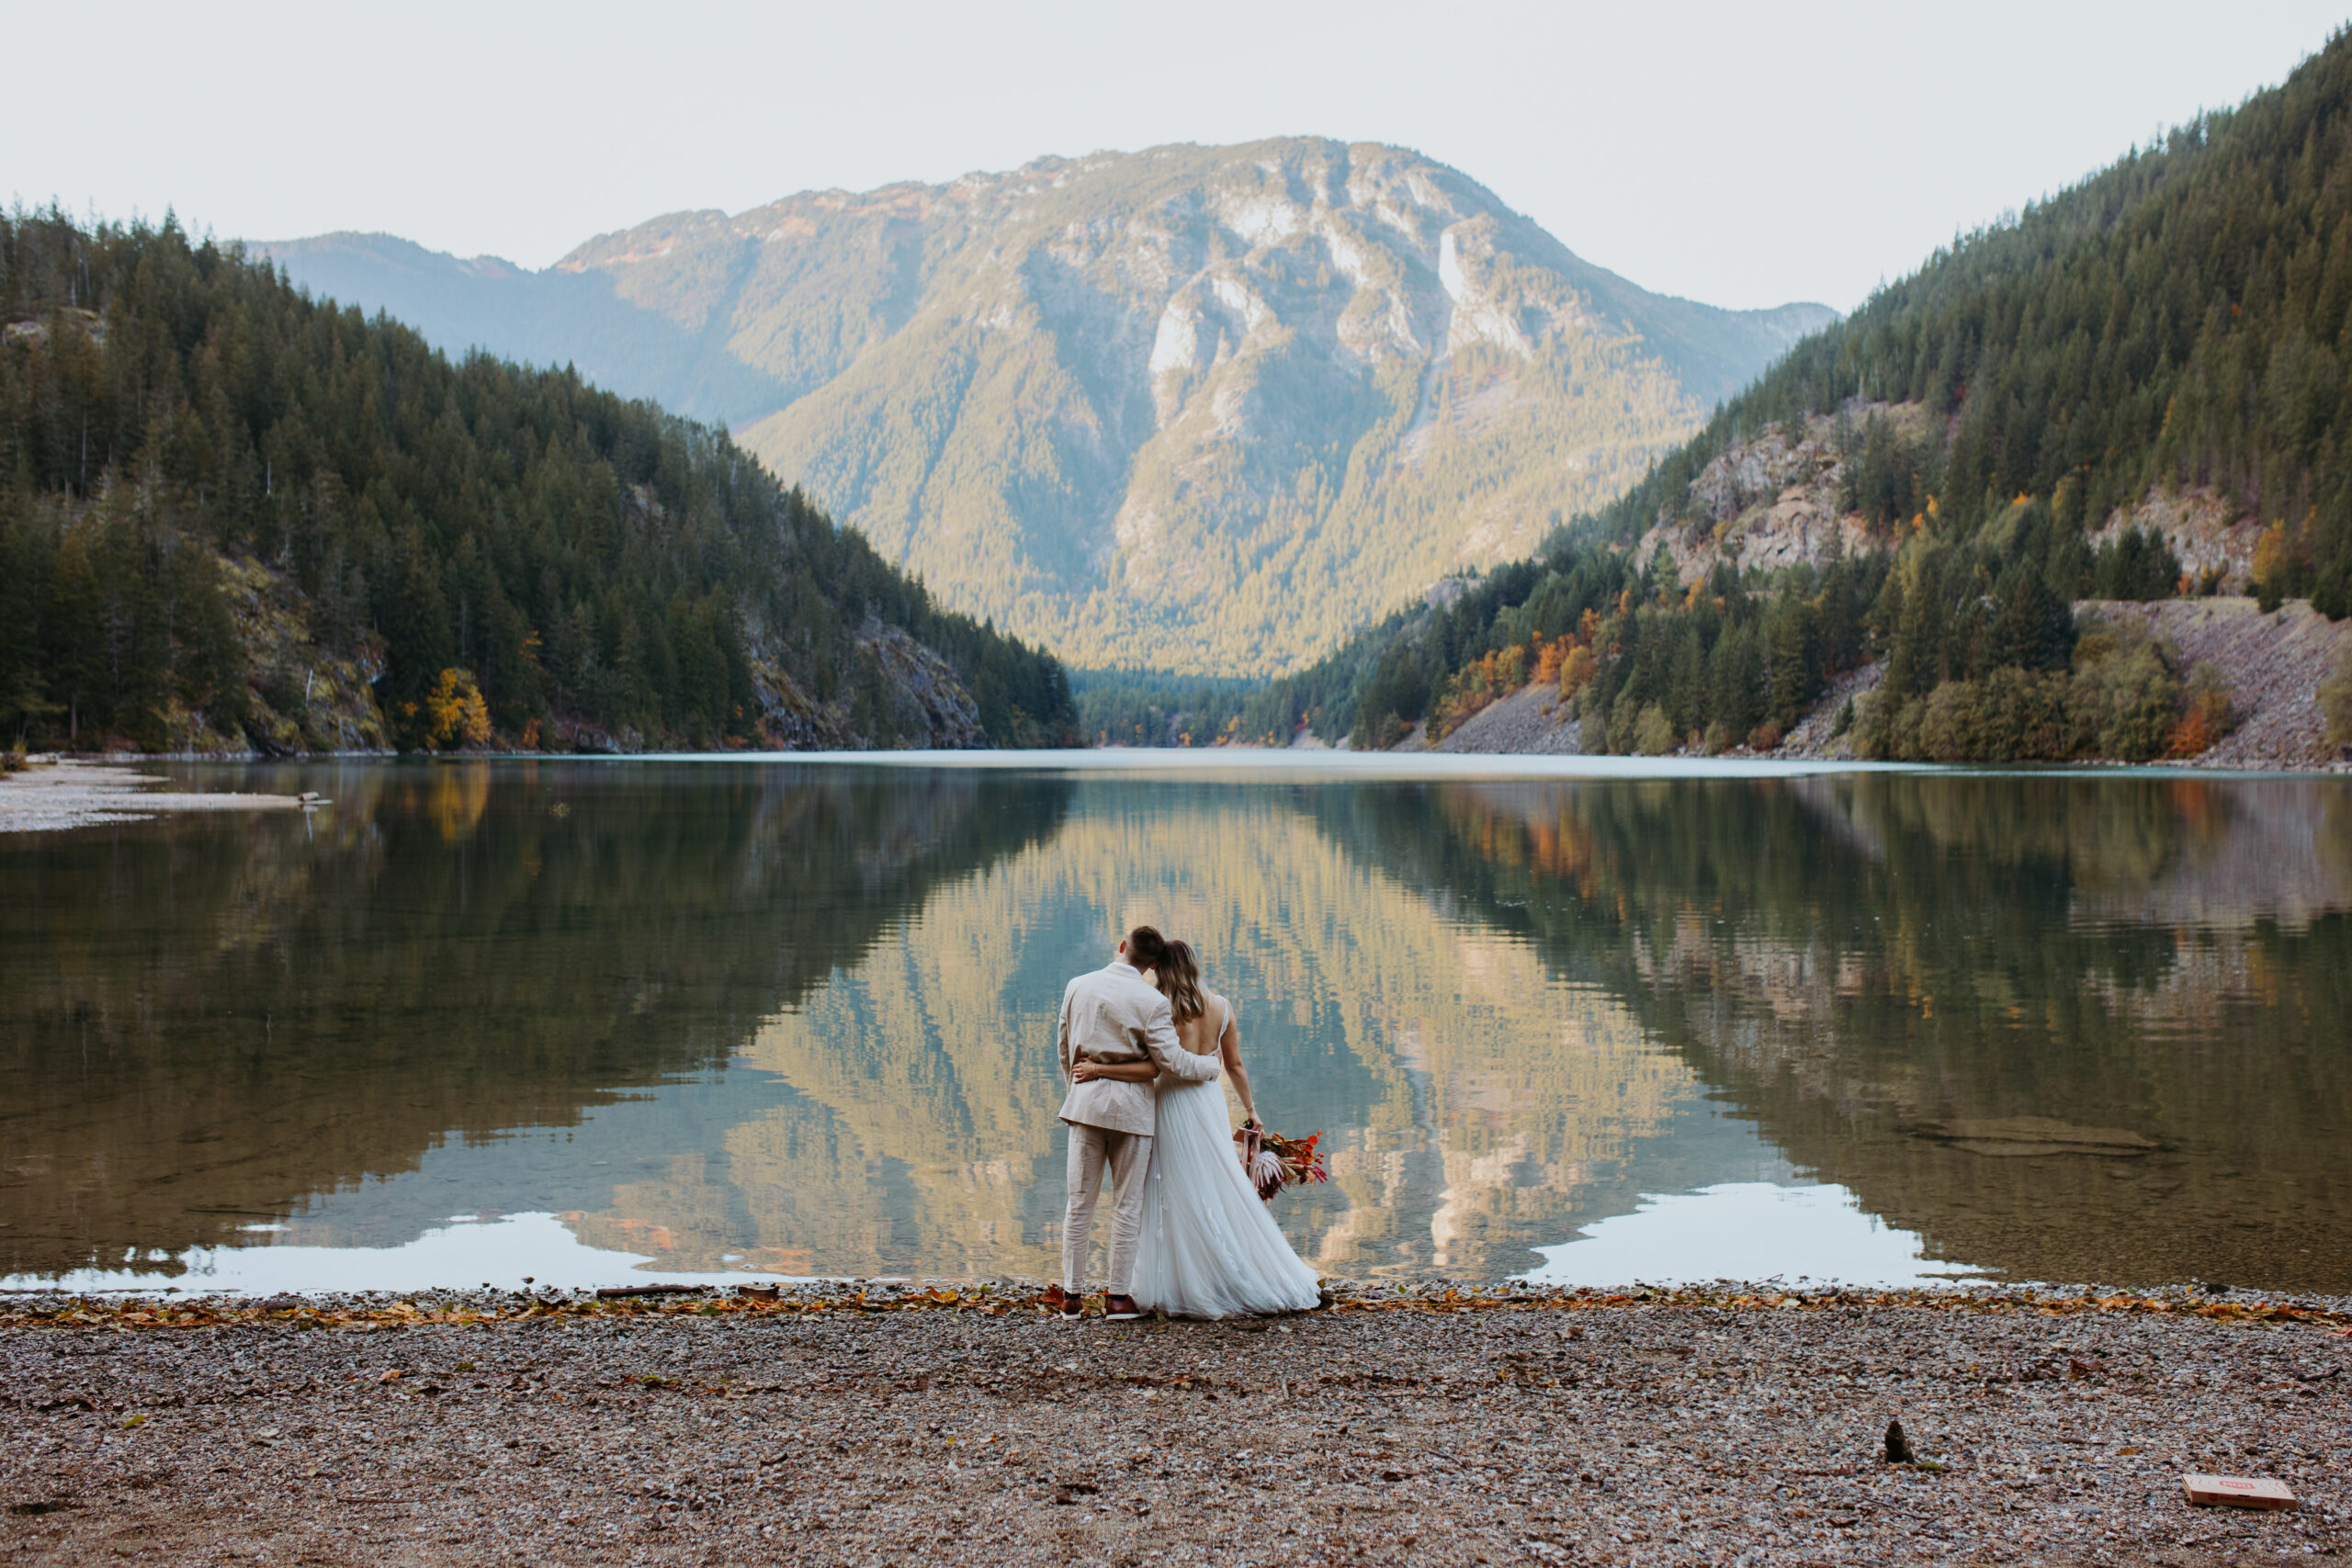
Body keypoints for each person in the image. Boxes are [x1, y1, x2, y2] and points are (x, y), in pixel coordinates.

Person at [1086, 938, 1322, 1318]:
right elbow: (1235, 1065)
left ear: (1160, 969)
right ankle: (1225, 1273)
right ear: (1194, 966)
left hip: (1164, 1102)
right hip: (1205, 1102)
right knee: (1215, 1180)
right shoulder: (1221, 1007)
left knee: (1166, 1188)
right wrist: (1251, 1109)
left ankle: (1178, 1282)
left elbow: (1151, 1063)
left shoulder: (1155, 1007)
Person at [1052, 924, 1221, 1322]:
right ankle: (1116, 1299)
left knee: (1078, 1204)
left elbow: (1064, 1047)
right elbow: (1172, 1063)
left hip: (1085, 1107)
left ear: (1123, 946)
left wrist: (1077, 1092)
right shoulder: (1152, 1002)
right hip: (1132, 1114)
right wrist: (1211, 1067)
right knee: (1126, 1206)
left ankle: (1072, 1298)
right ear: (1154, 964)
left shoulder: (1078, 985)